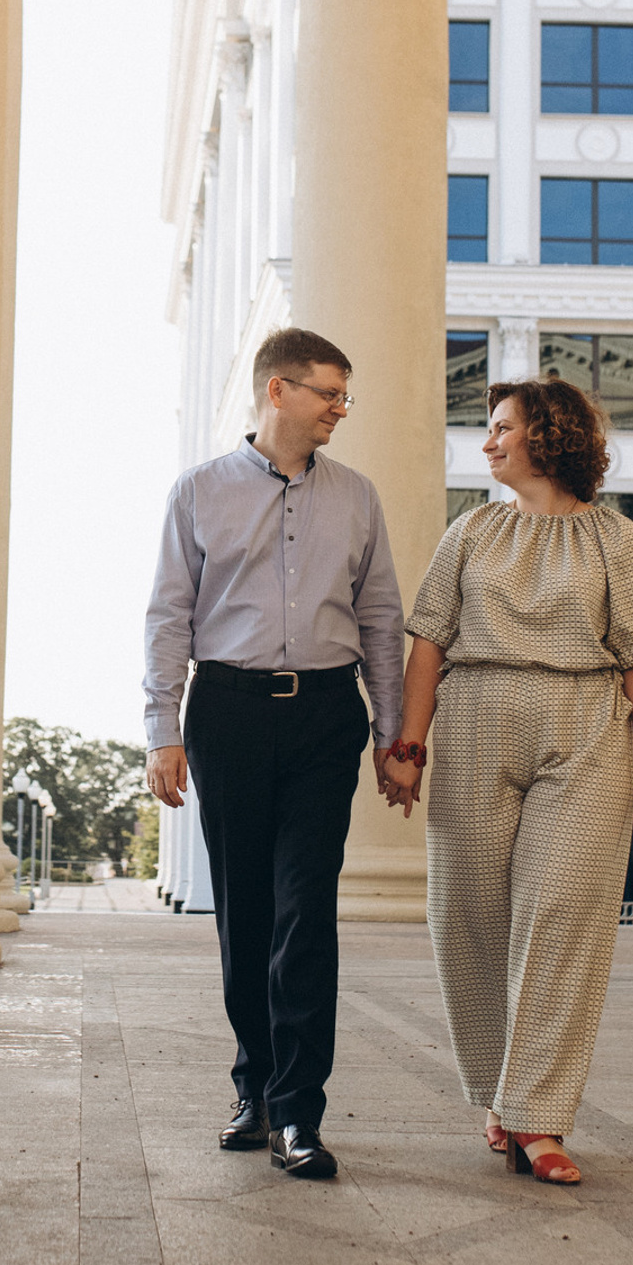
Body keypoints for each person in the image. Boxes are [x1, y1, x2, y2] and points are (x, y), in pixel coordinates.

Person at [380, 376, 633, 1187]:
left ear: (549, 436)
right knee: (468, 916)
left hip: (583, 731)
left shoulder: (616, 539)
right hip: (475, 719)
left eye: (502, 427)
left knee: (562, 914)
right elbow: (429, 646)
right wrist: (409, 744)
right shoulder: (469, 531)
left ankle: (537, 1116)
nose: (488, 442)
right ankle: (500, 1093)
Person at [144, 327, 404, 1181]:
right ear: (278, 391)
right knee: (245, 913)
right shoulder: (199, 492)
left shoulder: (358, 498)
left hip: (325, 714)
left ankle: (299, 1111)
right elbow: (169, 617)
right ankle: (254, 1088)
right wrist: (164, 732)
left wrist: (392, 735)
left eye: (344, 395)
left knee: (305, 911)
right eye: (328, 392)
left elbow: (379, 623)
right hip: (228, 712)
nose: (339, 408)